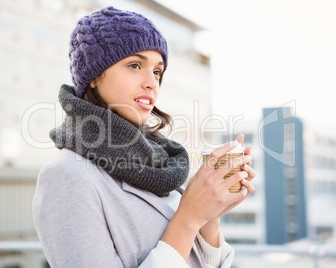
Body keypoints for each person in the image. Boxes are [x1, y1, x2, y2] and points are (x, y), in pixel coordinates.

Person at [32, 6, 256, 268]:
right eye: (135, 65)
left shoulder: (159, 162)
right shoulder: (66, 176)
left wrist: (209, 216)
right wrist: (189, 216)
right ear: (93, 77)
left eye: (157, 71)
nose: (151, 82)